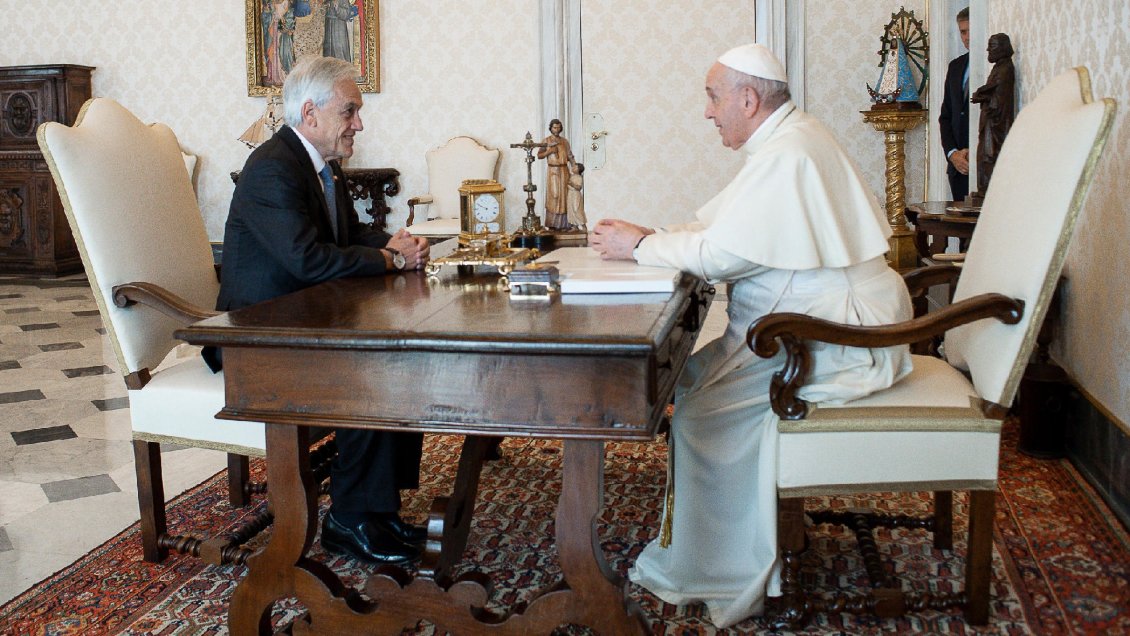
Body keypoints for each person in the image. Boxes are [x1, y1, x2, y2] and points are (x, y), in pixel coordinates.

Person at [589, 44, 914, 628]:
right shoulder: (789, 139)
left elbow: (723, 253)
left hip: (837, 340)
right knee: (688, 381)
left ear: (747, 98)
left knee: (700, 410)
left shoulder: (789, 151)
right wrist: (653, 234)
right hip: (809, 328)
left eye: (714, 98)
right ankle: (714, 540)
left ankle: (719, 568)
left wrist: (640, 247)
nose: (708, 112)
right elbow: (725, 226)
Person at [208, 56, 431, 566]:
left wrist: (395, 244)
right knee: (372, 370)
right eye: (350, 111)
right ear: (311, 113)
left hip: (299, 323)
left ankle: (377, 512)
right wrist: (387, 259)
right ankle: (349, 520)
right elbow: (308, 258)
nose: (359, 123)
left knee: (401, 358)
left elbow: (346, 237)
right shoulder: (271, 169)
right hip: (255, 338)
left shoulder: (321, 167)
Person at [971, 33, 1016, 195]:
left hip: (996, 122)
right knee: (983, 154)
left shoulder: (1006, 68)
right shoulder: (998, 67)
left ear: (1003, 48)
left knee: (989, 155)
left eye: (992, 46)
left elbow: (998, 94)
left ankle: (989, 190)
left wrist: (981, 95)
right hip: (989, 121)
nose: (988, 50)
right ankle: (984, 189)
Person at [939, 7, 971, 201]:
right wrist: (953, 154)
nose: (967, 37)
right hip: (957, 168)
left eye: (970, 31)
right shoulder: (955, 66)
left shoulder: (992, 65)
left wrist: (970, 155)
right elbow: (946, 117)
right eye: (963, 32)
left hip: (980, 165)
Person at [537, 119, 574, 230]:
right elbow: (539, 155)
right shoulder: (547, 140)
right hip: (553, 171)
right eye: (554, 127)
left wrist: (575, 167)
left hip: (564, 170)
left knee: (565, 196)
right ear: (551, 128)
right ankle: (552, 224)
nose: (556, 130)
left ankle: (565, 224)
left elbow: (570, 155)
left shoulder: (565, 141)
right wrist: (549, 151)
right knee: (554, 195)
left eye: (558, 127)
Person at [566, 162, 586, 230]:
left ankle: (583, 226)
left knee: (576, 209)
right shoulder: (572, 176)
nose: (573, 168)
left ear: (579, 170)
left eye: (575, 167)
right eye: (573, 167)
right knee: (570, 210)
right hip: (570, 194)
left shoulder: (579, 177)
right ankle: (574, 226)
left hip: (575, 195)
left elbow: (579, 187)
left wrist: (572, 184)